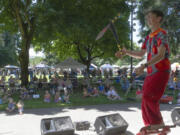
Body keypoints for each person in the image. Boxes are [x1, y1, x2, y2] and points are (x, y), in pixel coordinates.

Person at [115, 10, 171, 131]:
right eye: (147, 17)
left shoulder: (162, 34)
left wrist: (144, 66)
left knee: (150, 96)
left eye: (151, 17)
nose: (148, 19)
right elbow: (141, 54)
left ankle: (157, 123)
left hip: (161, 69)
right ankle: (153, 123)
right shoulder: (148, 37)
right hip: (151, 71)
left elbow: (161, 55)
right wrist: (126, 52)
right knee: (146, 96)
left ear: (159, 18)